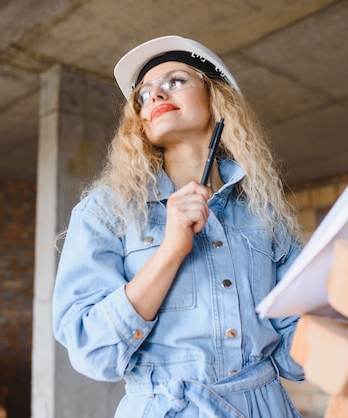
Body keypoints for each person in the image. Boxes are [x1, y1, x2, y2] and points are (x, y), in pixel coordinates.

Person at [52, 35, 305, 417]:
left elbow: (295, 354)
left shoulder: (263, 211)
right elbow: (91, 350)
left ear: (215, 98)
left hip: (264, 406)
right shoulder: (108, 210)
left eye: (175, 80)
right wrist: (171, 250)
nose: (154, 96)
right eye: (143, 94)